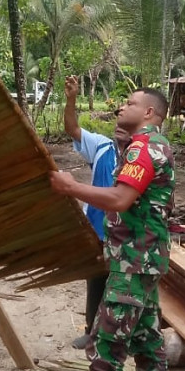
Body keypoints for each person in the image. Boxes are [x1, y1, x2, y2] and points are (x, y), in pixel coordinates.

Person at [50, 87, 175, 371]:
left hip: (135, 262)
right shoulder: (147, 145)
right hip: (144, 260)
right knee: (148, 339)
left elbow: (121, 198)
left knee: (106, 345)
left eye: (131, 103)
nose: (123, 106)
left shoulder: (144, 147)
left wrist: (72, 187)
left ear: (150, 112)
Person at [63, 75, 131, 350]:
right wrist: (71, 99)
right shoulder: (102, 147)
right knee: (96, 279)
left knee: (123, 283)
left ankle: (117, 335)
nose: (118, 127)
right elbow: (72, 128)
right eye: (117, 122)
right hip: (97, 227)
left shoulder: (144, 157)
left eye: (125, 126)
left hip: (126, 233)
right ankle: (92, 329)